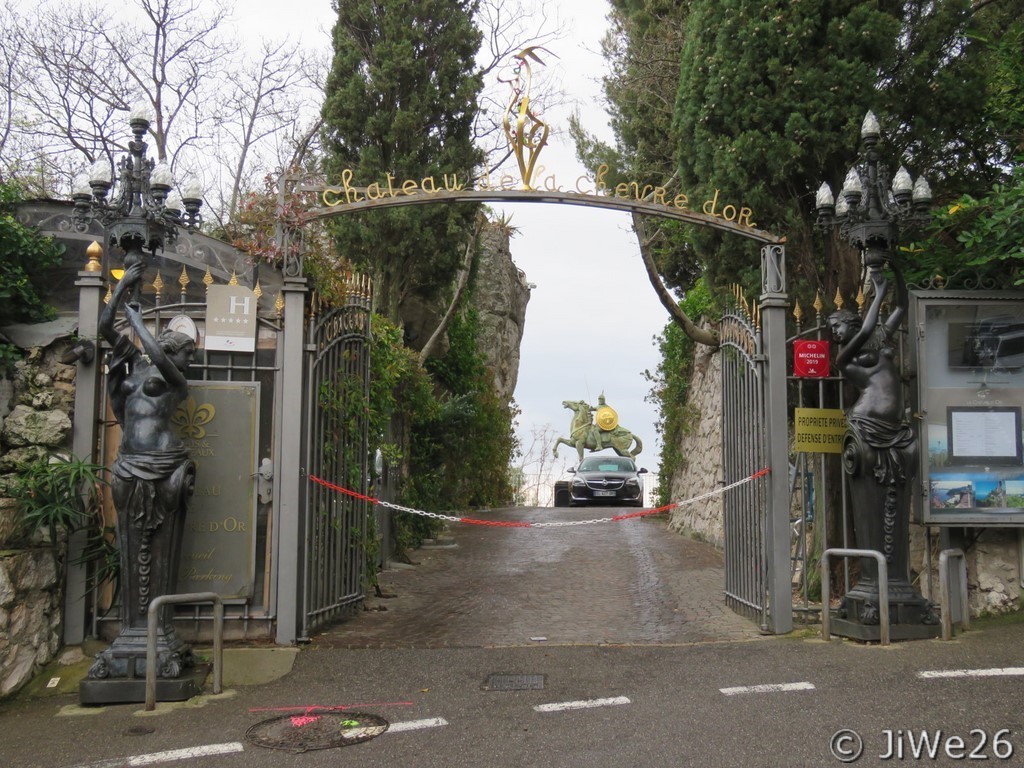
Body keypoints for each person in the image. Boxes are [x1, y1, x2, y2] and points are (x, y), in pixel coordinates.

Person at [89, 256, 197, 680]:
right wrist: (119, 292)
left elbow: (154, 351)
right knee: (132, 542)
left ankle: (157, 634)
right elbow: (102, 330)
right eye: (187, 350)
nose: (190, 358)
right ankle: (135, 634)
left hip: (165, 464)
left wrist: (136, 317)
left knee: (159, 544)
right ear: (175, 347)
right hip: (130, 463)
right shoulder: (134, 365)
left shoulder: (176, 379)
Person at [827, 256, 935, 627]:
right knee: (872, 500)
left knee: (895, 495)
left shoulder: (881, 338)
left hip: (896, 431)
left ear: (849, 322)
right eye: (832, 328)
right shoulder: (844, 357)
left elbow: (903, 307)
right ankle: (874, 585)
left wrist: (899, 270)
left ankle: (896, 584)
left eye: (839, 324)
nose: (835, 332)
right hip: (866, 426)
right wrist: (879, 290)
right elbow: (869, 323)